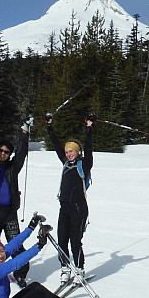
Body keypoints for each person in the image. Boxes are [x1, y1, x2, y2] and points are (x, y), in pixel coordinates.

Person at [0, 116, 32, 287]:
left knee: (16, 244)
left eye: (6, 152)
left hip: (9, 212)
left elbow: (22, 153)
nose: (3, 154)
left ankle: (20, 274)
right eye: (0, 150)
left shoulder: (12, 167)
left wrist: (24, 133)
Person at [45, 111, 94, 285]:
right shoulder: (65, 163)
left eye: (71, 151)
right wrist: (49, 126)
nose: (68, 154)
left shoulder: (84, 164)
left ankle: (79, 269)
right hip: (64, 207)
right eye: (66, 151)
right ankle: (65, 268)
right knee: (62, 240)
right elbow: (56, 144)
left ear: (77, 152)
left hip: (79, 208)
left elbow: (88, 147)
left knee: (75, 241)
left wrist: (89, 127)